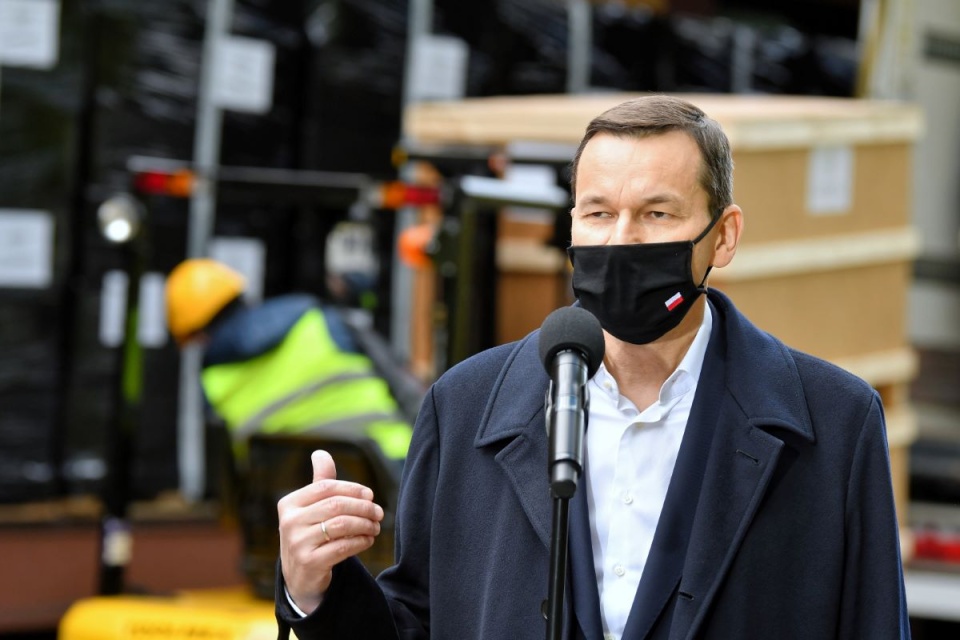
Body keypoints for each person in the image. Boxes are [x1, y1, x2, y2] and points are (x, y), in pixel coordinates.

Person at [274, 95, 910, 639]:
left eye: (658, 214)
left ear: (724, 235)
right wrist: (316, 588)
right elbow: (416, 622)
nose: (623, 239)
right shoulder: (465, 407)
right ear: (572, 224)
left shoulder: (835, 423)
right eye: (599, 213)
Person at [163, 258, 413, 465]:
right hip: (388, 472)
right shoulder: (321, 321)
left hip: (287, 503)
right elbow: (405, 389)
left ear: (199, 333)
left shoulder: (212, 380)